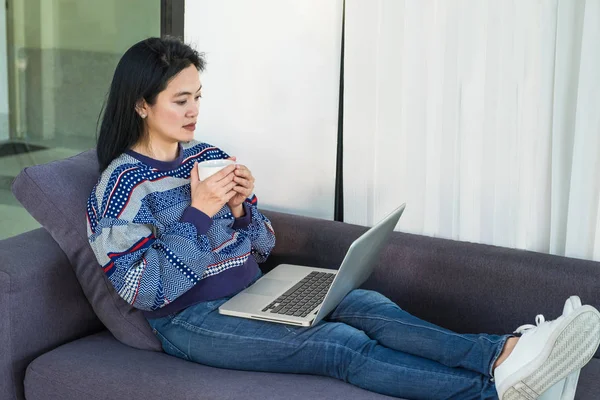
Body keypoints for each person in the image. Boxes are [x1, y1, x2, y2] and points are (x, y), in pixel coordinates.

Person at [86, 37, 600, 400]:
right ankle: (496, 392)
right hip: (192, 322)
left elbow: (261, 246)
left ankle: (505, 352)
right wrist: (199, 214)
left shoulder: (207, 156)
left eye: (198, 96)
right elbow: (142, 289)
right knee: (340, 345)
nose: (195, 110)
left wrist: (243, 212)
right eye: (181, 100)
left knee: (365, 303)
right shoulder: (119, 188)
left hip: (254, 294)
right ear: (141, 104)